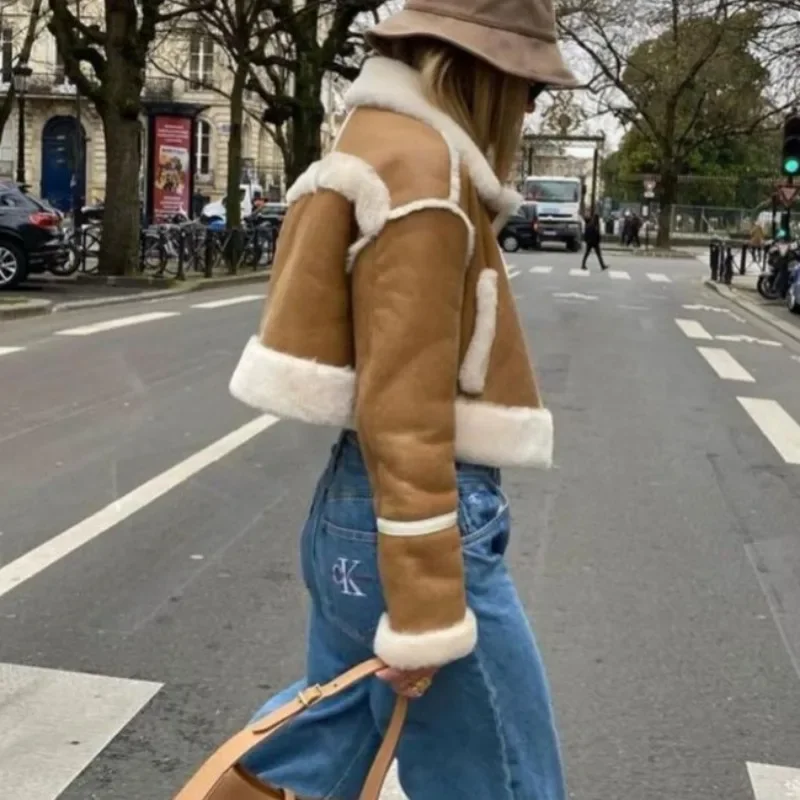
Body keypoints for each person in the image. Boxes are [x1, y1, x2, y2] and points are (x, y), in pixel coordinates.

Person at [227, 1, 577, 797]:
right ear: (478, 70)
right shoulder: (426, 172)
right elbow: (405, 405)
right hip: (418, 516)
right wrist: (424, 609)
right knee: (509, 783)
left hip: (357, 512)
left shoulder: (375, 148)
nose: (530, 106)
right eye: (526, 85)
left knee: (324, 769)